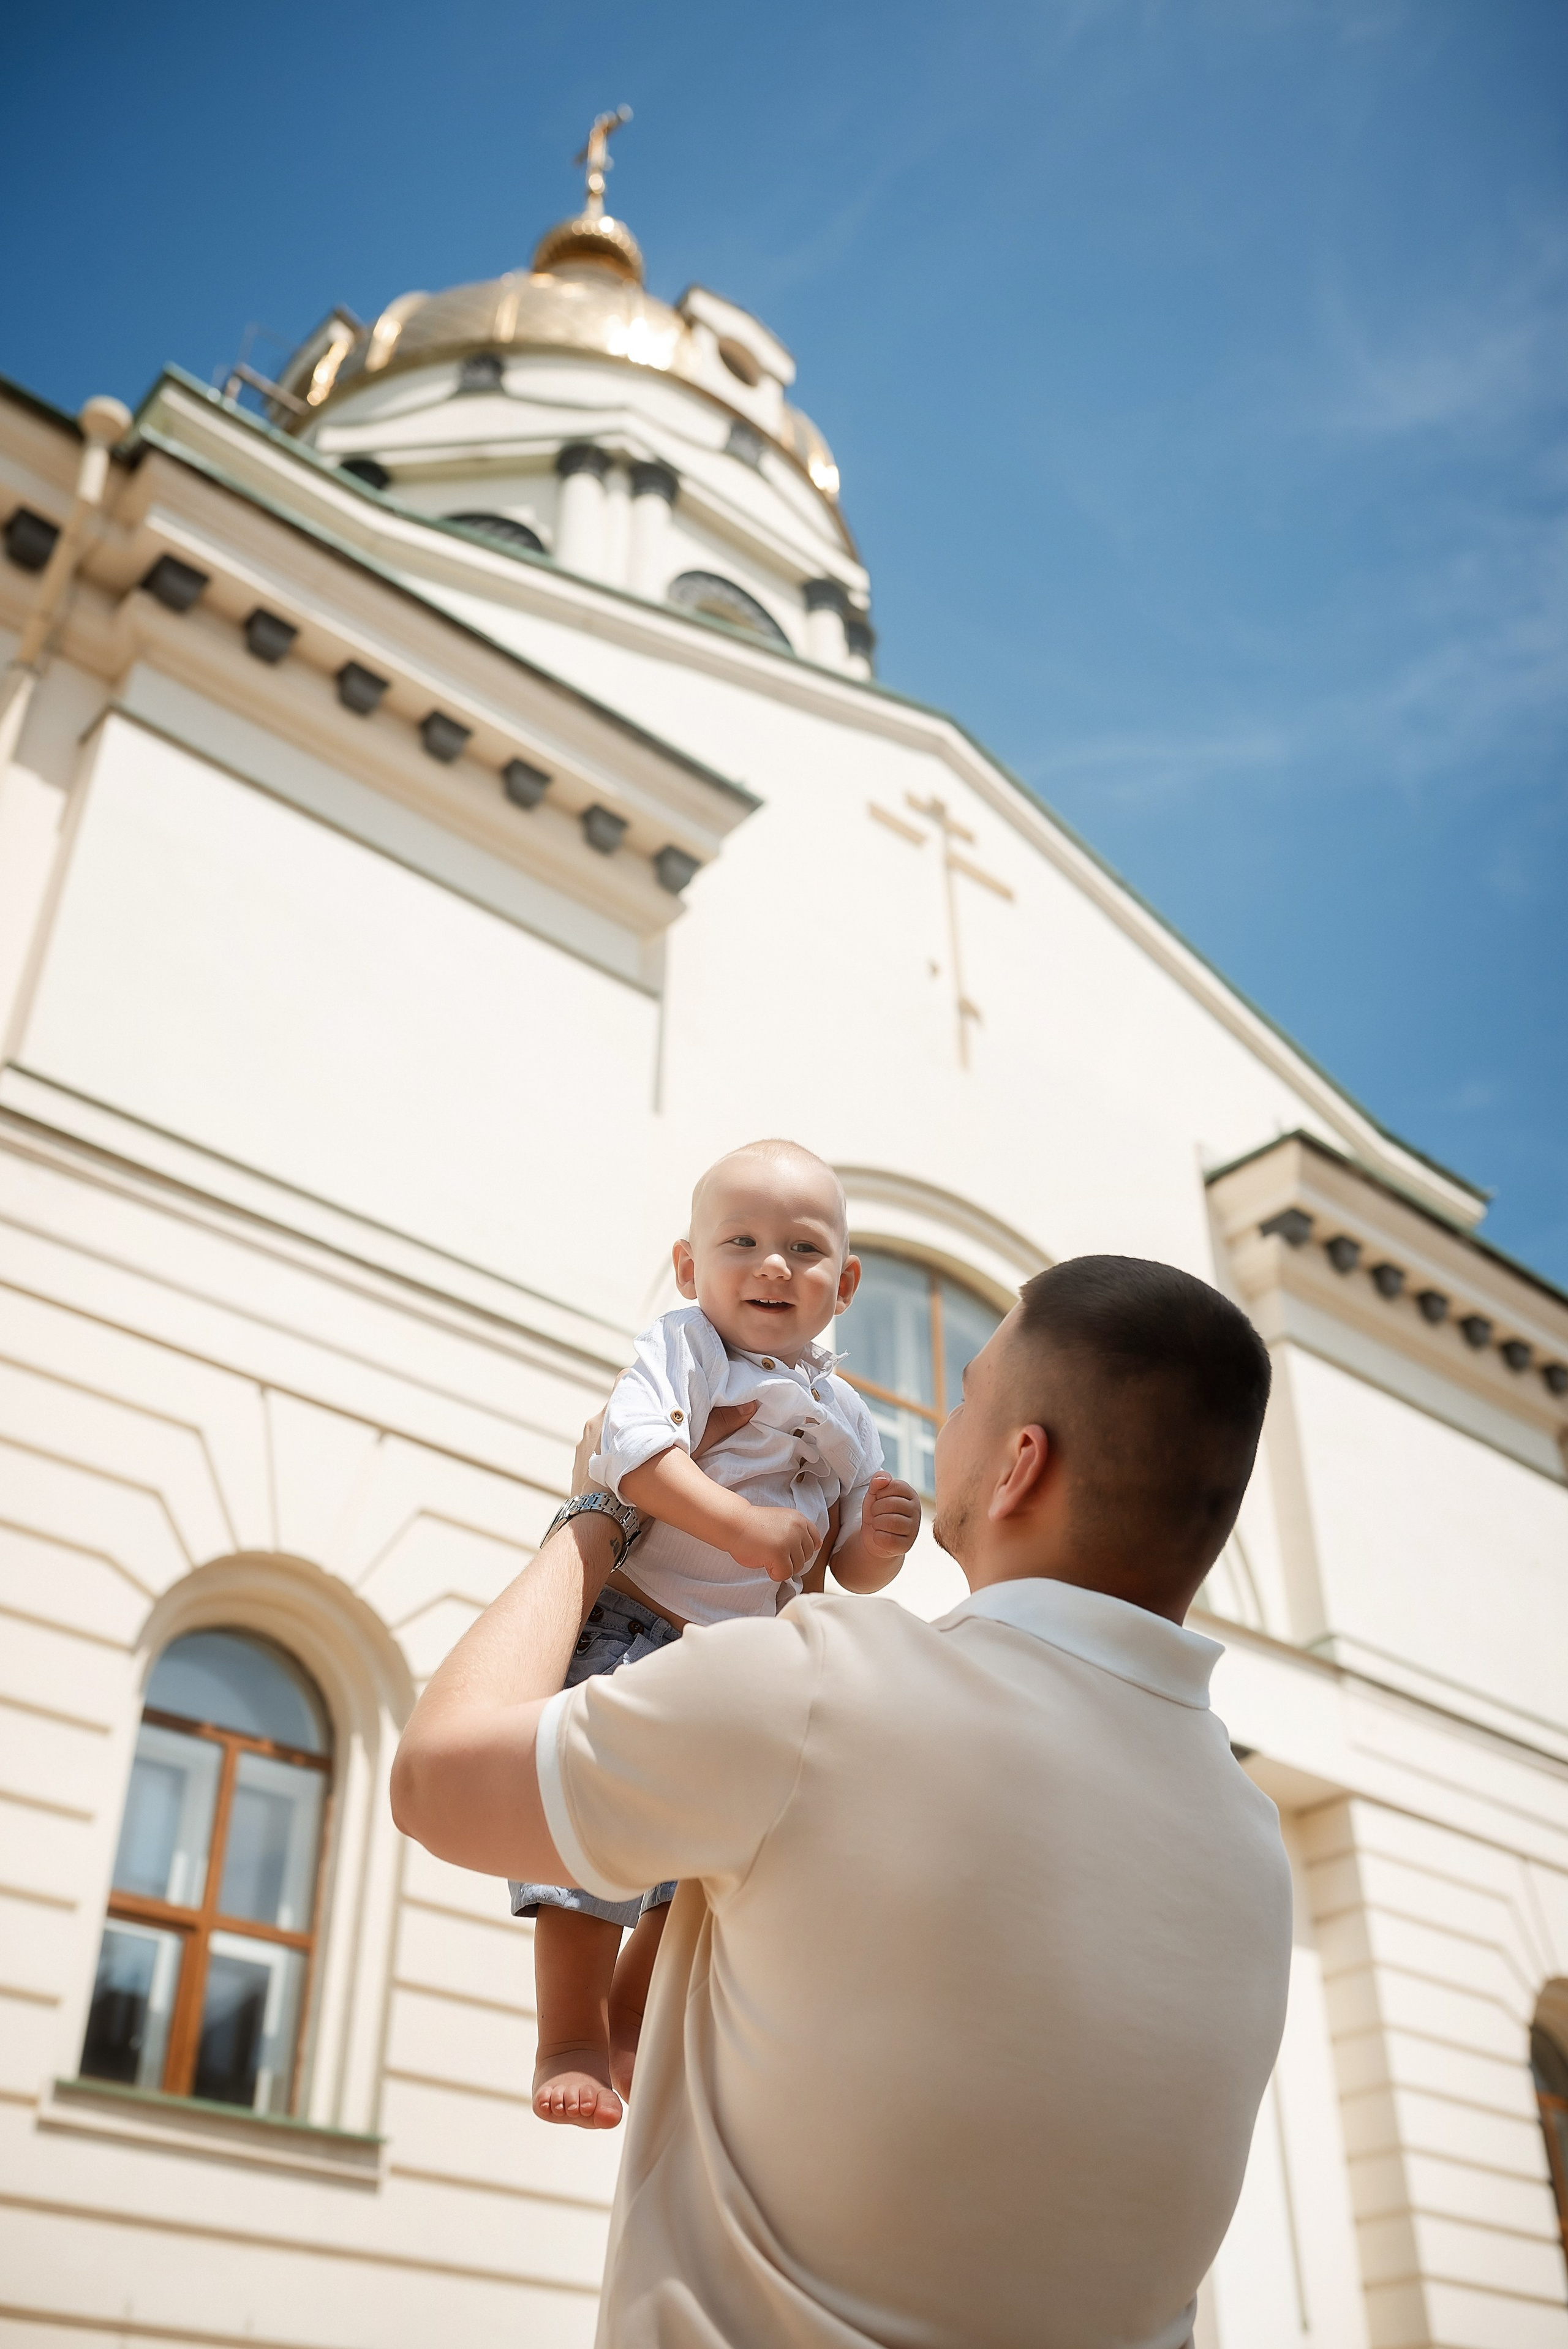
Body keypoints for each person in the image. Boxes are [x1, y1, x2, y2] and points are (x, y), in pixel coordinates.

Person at [392, 1253, 1294, 2349]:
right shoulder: (1256, 1856)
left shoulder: (822, 1686)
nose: (938, 1432)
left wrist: (600, 1507)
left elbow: (435, 1781)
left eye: (963, 1396)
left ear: (1019, 1466)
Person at [511, 1139, 921, 2127]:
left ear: (845, 1282)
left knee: (691, 1870)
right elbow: (632, 1452)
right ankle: (567, 2036)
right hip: (640, 1624)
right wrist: (742, 1524)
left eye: (804, 1248)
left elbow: (844, 1566)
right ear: (691, 1267)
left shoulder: (849, 1412)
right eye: (741, 1241)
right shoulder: (686, 1345)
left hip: (743, 1666)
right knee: (588, 1843)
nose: (773, 1264)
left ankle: (626, 2025)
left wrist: (883, 1541)